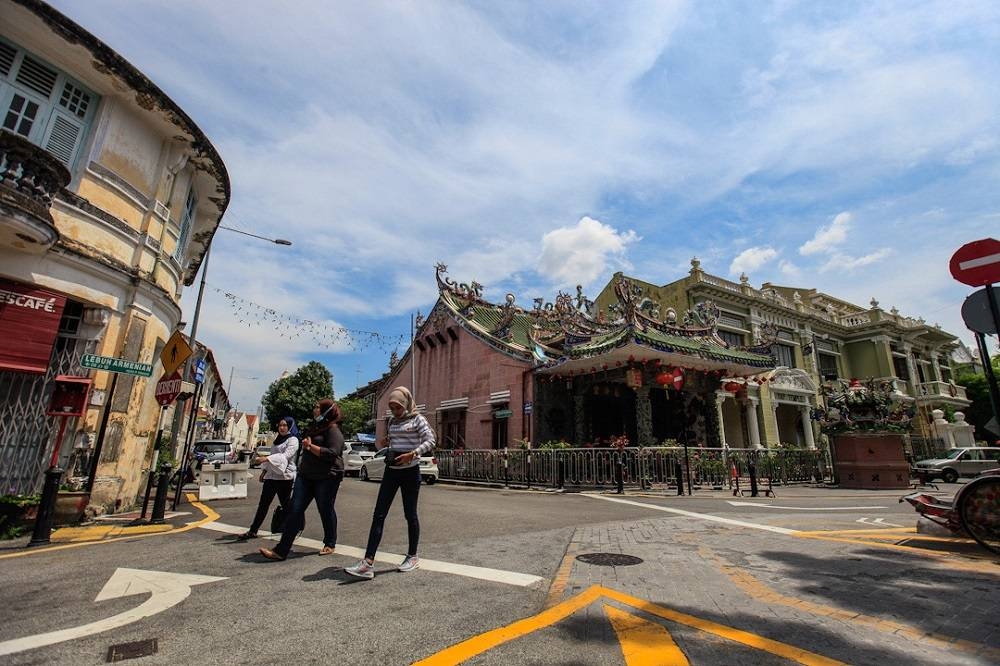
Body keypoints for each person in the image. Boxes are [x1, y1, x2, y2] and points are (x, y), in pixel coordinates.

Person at [346, 386, 435, 579]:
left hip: (410, 471)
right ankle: (367, 562)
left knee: (410, 514)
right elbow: (395, 442)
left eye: (397, 407)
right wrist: (388, 442)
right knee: (378, 514)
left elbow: (430, 440)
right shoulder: (393, 421)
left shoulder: (418, 419)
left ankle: (412, 556)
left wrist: (413, 453)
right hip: (391, 471)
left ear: (405, 404)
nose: (394, 411)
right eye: (392, 407)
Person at [260, 399, 344, 561]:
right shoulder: (313, 428)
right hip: (306, 475)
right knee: (294, 509)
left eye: (318, 407)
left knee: (325, 509)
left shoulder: (333, 430)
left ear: (327, 411)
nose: (314, 409)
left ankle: (330, 542)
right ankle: (281, 550)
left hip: (327, 477)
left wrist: (310, 447)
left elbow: (333, 453)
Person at [236, 416, 299, 541]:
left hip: (284, 477)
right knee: (263, 504)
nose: (282, 428)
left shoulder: (293, 440)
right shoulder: (277, 439)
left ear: (290, 427)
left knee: (286, 504)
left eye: (285, 425)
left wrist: (266, 459)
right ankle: (253, 530)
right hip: (271, 476)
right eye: (280, 425)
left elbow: (285, 456)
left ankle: (294, 527)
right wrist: (264, 471)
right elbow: (273, 455)